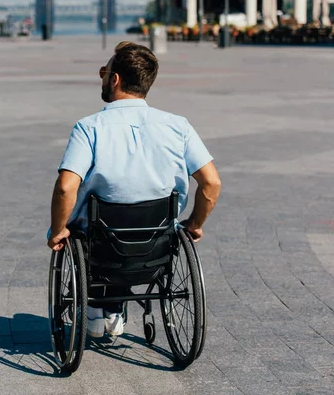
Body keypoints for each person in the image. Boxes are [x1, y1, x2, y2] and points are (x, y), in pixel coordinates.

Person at [47, 41, 221, 338]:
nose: (103, 77)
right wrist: (195, 224)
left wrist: (57, 229)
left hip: (101, 243)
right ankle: (114, 309)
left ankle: (97, 310)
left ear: (114, 79)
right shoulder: (178, 126)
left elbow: (66, 188)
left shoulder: (89, 128)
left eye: (105, 72)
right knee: (130, 225)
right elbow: (211, 183)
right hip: (157, 243)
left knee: (85, 226)